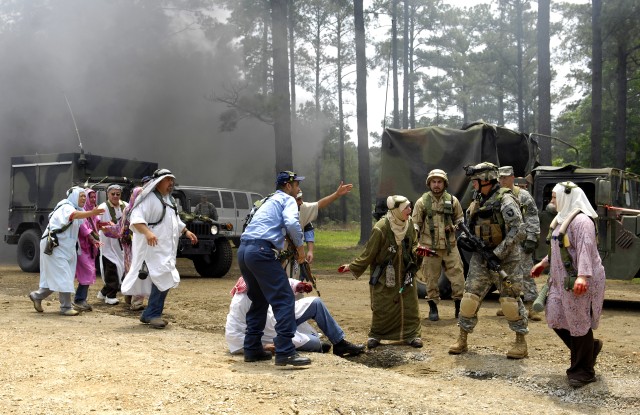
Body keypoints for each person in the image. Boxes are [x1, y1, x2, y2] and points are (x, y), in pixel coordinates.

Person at [449, 162, 528, 359]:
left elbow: (518, 230)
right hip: (481, 259)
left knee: (510, 301)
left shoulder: (506, 200)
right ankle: (462, 339)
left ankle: (520, 343)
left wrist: (498, 253)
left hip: (506, 259)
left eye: (475, 181)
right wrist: (467, 241)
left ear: (486, 180)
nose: (473, 185)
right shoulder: (477, 200)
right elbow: (470, 225)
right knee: (469, 298)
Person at [531, 182, 605, 387]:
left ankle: (583, 371)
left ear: (567, 197)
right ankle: (590, 349)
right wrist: (543, 264)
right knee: (554, 316)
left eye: (555, 197)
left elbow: (585, 249)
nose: (552, 201)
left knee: (578, 322)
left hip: (579, 278)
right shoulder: (560, 219)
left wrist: (582, 276)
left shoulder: (582, 221)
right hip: (560, 279)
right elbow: (558, 248)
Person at [338, 195, 435, 349]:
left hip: (405, 273)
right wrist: (352, 266)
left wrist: (419, 251)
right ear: (396, 210)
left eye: (410, 207)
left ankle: (412, 335)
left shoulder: (409, 224)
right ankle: (376, 335)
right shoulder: (381, 228)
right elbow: (369, 253)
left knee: (409, 305)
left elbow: (414, 244)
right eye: (406, 208)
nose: (410, 210)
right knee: (383, 305)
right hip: (385, 274)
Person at [238, 170, 310, 367]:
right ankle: (286, 350)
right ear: (288, 186)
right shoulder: (287, 200)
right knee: (285, 298)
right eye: (297, 185)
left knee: (259, 299)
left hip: (244, 250)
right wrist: (301, 249)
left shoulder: (267, 201)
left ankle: (252, 348)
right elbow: (292, 223)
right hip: (261, 250)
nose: (299, 189)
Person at [121, 169, 198, 329]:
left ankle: (150, 313)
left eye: (172, 180)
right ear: (158, 182)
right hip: (152, 250)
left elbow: (175, 219)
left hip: (166, 250)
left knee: (164, 280)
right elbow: (136, 219)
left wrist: (186, 231)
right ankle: (152, 314)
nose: (171, 183)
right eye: (167, 180)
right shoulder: (148, 200)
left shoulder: (169, 200)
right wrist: (148, 232)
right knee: (163, 279)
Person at [225, 277, 365, 357]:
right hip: (270, 336)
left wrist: (298, 286)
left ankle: (340, 343)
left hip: (279, 316)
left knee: (315, 303)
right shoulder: (241, 301)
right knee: (316, 343)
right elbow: (232, 334)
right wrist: (263, 346)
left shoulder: (264, 281)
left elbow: (280, 280)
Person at [29, 187, 104, 315]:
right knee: (63, 275)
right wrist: (92, 212)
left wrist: (95, 238)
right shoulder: (66, 207)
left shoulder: (79, 209)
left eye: (84, 196)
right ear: (74, 196)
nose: (83, 198)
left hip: (67, 248)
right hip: (55, 247)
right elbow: (73, 216)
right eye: (81, 196)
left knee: (63, 277)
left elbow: (84, 228)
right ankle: (66, 307)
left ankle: (37, 296)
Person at [412, 169, 465, 321]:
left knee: (458, 277)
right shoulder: (422, 202)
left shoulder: (453, 201)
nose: (436, 185)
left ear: (444, 183)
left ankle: (458, 308)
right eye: (433, 182)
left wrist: (454, 227)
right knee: (431, 278)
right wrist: (415, 242)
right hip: (429, 247)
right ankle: (433, 308)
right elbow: (415, 223)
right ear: (429, 183)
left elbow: (460, 220)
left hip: (450, 246)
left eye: (439, 182)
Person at [498, 166, 542, 321]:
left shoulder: (522, 195)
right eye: (500, 177)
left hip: (520, 241)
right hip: (504, 242)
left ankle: (531, 306)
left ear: (512, 177)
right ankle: (508, 304)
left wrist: (532, 237)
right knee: (504, 274)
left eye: (506, 177)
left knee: (526, 273)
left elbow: (532, 216)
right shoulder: (497, 196)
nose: (503, 180)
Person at [101, 186, 146, 311]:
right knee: (132, 272)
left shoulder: (146, 210)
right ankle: (132, 298)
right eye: (136, 195)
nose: (116, 196)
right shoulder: (128, 210)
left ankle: (135, 298)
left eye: (118, 194)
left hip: (143, 246)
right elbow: (121, 228)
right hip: (129, 248)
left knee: (142, 272)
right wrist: (108, 229)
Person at [96, 184, 128, 305]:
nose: (115, 196)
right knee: (111, 267)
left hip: (121, 244)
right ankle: (110, 295)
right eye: (113, 194)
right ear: (108, 194)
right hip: (107, 243)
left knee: (121, 267)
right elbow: (96, 223)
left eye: (117, 194)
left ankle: (104, 292)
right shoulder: (103, 207)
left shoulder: (125, 206)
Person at [73, 188, 102, 311]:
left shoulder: (92, 211)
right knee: (88, 271)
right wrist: (94, 239)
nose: (93, 199)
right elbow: (84, 229)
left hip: (89, 248)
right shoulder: (81, 212)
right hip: (82, 247)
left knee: (88, 272)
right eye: (90, 197)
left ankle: (81, 298)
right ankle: (79, 299)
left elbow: (97, 224)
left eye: (94, 197)